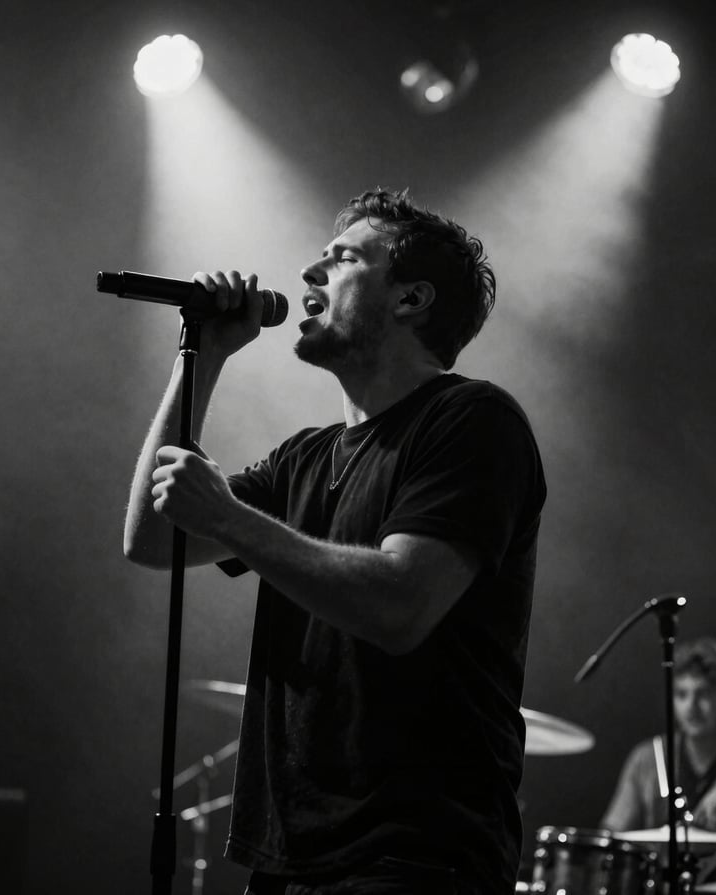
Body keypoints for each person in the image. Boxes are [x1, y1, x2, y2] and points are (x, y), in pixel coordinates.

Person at [124, 189, 547, 895]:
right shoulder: (304, 458)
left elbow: (402, 605)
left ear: (411, 298)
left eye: (343, 257)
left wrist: (229, 517)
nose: (312, 272)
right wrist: (201, 357)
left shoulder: (473, 421)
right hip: (289, 858)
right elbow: (152, 538)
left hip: (414, 855)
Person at [601, 637, 716, 833]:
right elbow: (613, 832)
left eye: (703, 694)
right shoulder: (647, 758)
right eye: (681, 694)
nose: (691, 706)